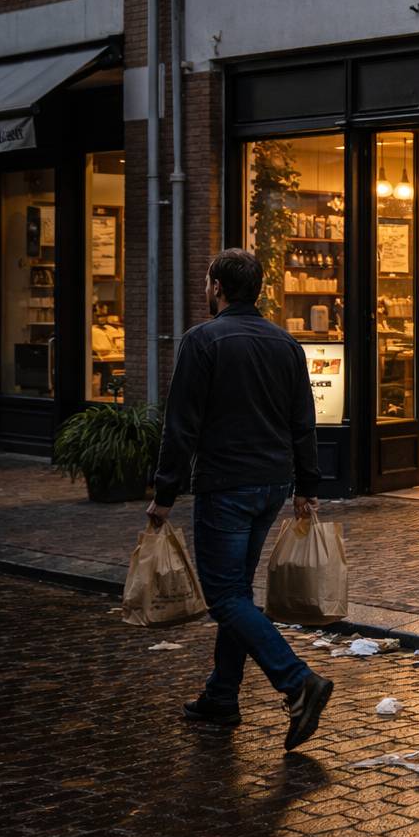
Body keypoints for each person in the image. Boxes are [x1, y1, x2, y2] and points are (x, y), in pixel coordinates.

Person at [147, 248, 334, 751]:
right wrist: (307, 486)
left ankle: (298, 681)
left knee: (224, 596)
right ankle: (222, 695)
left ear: (217, 287)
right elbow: (303, 421)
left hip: (226, 483)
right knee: (237, 593)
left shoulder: (202, 340)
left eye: (208, 282)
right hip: (272, 484)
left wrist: (164, 492)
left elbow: (180, 424)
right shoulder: (286, 343)